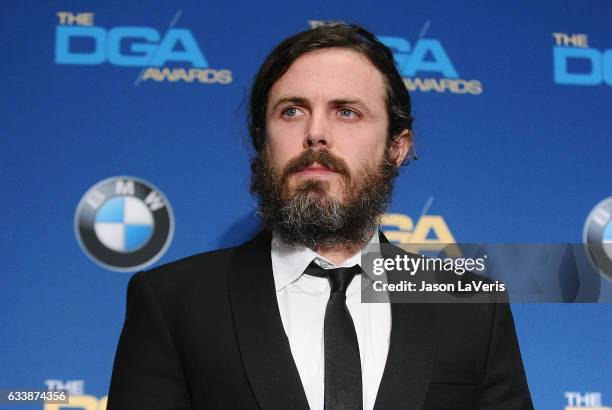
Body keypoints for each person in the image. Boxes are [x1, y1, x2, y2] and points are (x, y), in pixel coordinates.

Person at [107, 23, 533, 410]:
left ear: (397, 147)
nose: (315, 133)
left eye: (347, 111)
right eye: (291, 111)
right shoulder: (174, 302)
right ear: (262, 141)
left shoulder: (470, 306)